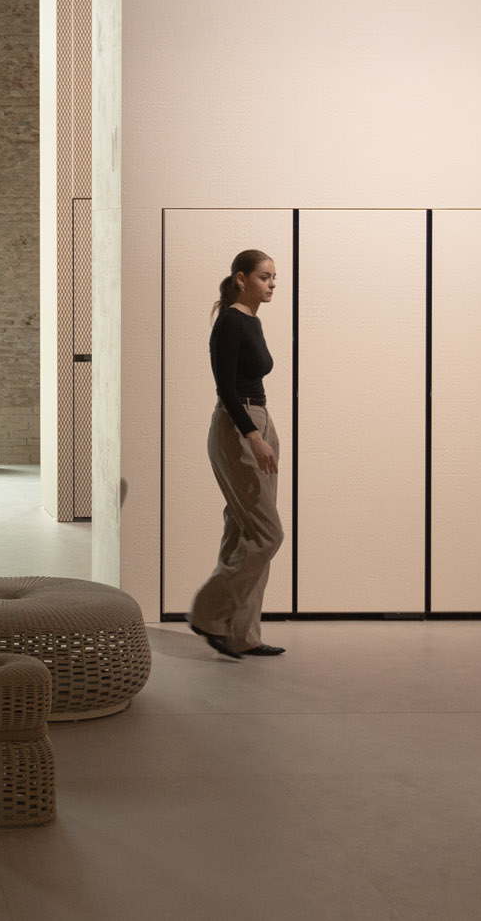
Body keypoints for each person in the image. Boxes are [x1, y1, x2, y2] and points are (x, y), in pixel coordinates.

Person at [189, 247, 286, 659]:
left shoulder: (252, 321)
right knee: (268, 533)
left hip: (259, 421)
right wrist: (253, 435)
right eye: (265, 276)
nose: (272, 284)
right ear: (241, 278)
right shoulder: (229, 321)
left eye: (274, 277)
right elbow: (226, 389)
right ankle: (209, 614)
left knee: (245, 529)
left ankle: (241, 634)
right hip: (238, 426)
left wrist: (263, 431)